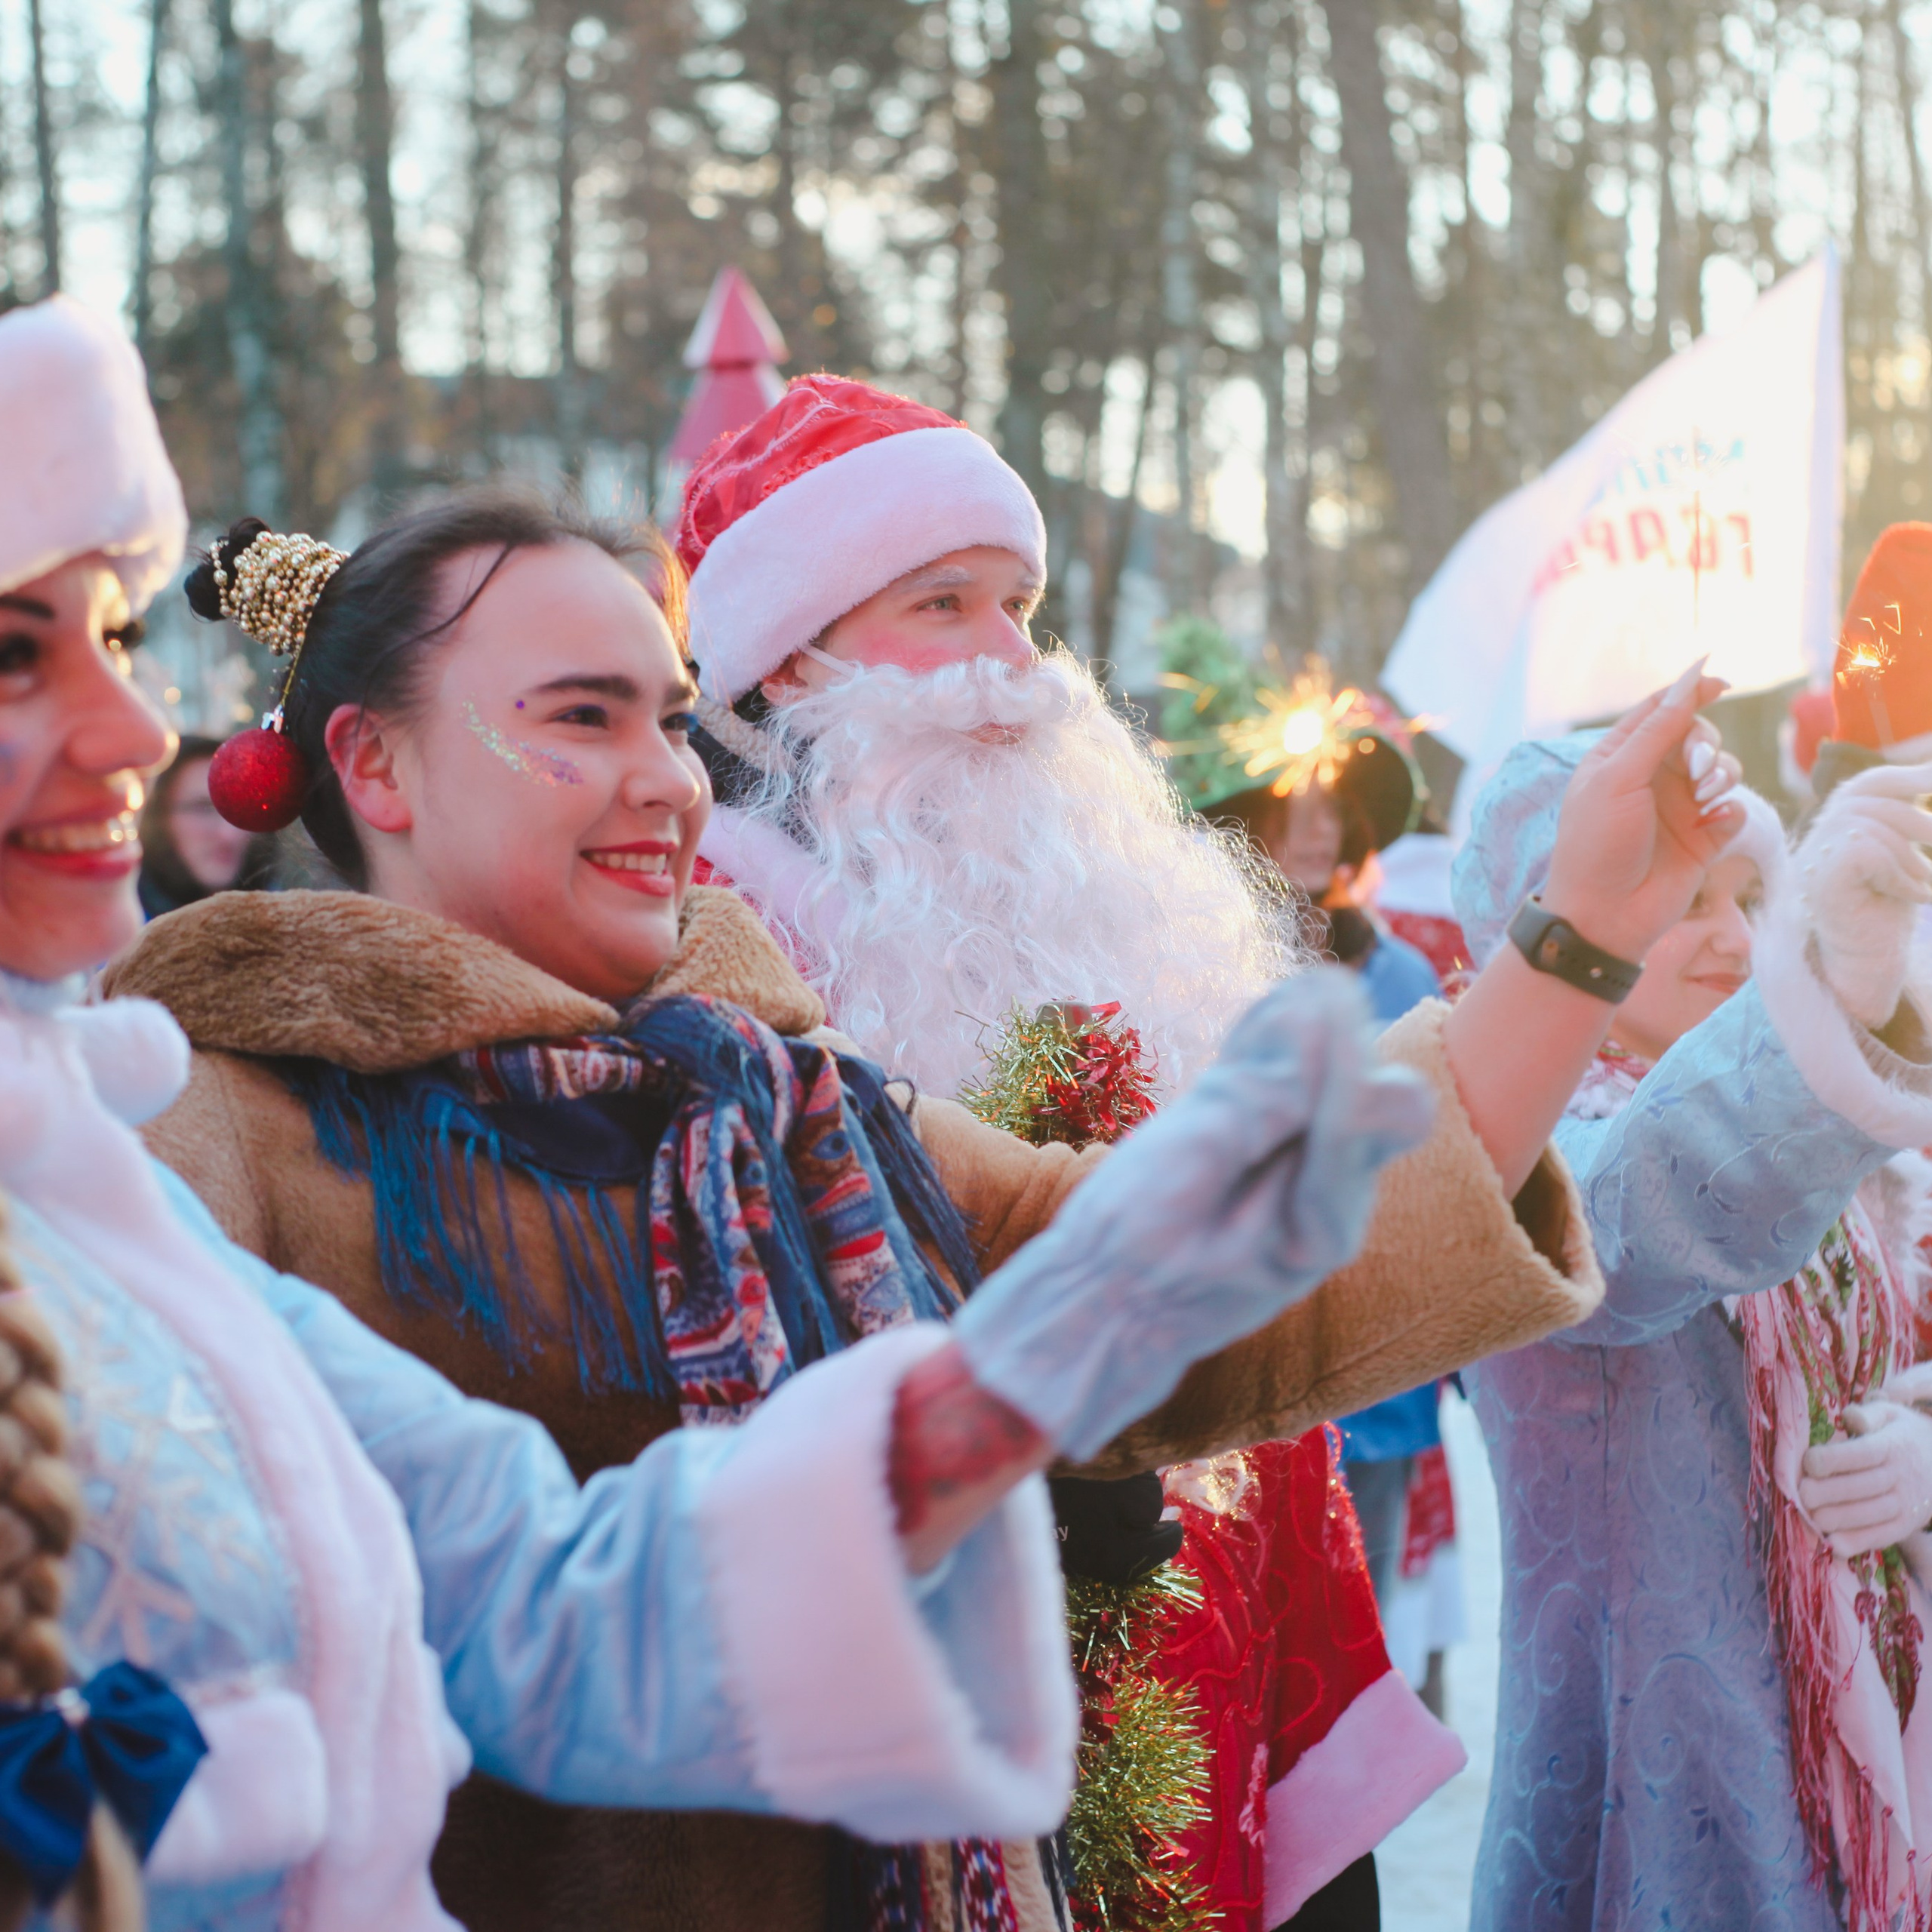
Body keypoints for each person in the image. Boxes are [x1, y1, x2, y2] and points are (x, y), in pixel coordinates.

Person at [0, 300, 1440, 1927]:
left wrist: (1037, 1361)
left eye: (669, 716)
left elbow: (554, 1597)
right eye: (581, 715)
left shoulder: (778, 1084)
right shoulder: (204, 1137)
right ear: (374, 770)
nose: (669, 778)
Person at [666, 374, 1752, 1930]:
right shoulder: (733, 960)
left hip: (1243, 1641)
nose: (1003, 665)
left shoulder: (1098, 902)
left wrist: (1579, 940)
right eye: (937, 602)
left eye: (1015, 603)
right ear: (787, 661)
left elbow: (1284, 1233)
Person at [1454, 731, 1932, 1932]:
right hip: (1673, 1789)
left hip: (1878, 1733)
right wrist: (1831, 988)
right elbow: (1632, 1228)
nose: (1730, 934)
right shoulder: (1502, 1147)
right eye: (1680, 897)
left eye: (1753, 894)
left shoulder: (1853, 1143)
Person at [137, 735, 267, 916]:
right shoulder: (113, 935)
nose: (229, 834)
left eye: (241, 808)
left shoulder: (287, 927)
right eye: (202, 809)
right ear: (158, 817)